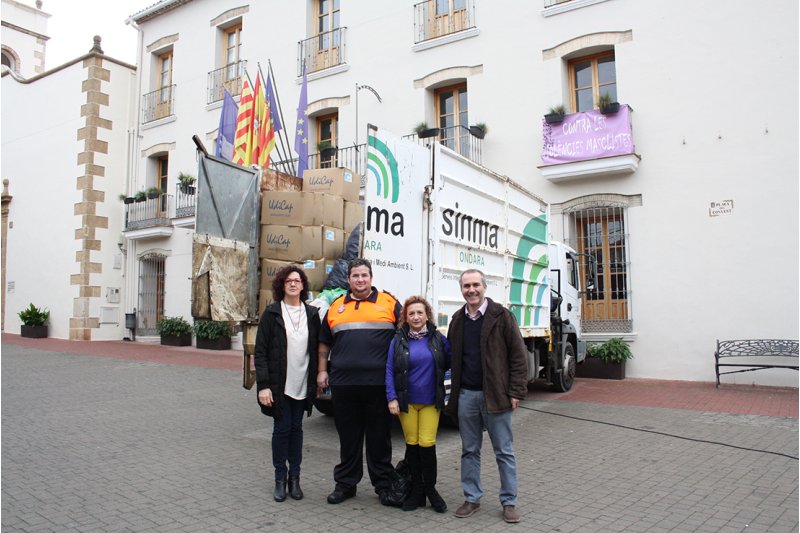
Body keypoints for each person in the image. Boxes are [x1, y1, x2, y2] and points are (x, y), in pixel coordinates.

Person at [445, 269, 528, 524]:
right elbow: (451, 359)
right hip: (466, 396)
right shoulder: (457, 320)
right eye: (466, 286)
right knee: (470, 450)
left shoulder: (501, 316)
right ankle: (472, 498)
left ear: (484, 287)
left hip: (496, 395)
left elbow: (518, 356)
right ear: (461, 289)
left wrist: (516, 391)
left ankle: (509, 502)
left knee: (504, 451)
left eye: (475, 285)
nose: (471, 290)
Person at [317, 258, 401, 506]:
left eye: (364, 275)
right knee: (348, 438)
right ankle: (346, 484)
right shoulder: (336, 306)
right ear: (349, 279)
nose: (360, 279)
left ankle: (383, 485)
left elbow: (407, 335)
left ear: (371, 278)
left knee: (379, 438)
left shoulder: (389, 303)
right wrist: (322, 371)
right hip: (344, 384)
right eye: (355, 276)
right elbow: (324, 341)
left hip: (378, 385)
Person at [254, 265, 320, 502]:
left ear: (303, 286)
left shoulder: (312, 314)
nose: (293, 283)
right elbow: (260, 351)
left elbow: (318, 348)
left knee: (296, 430)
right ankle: (280, 479)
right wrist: (263, 385)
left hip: (302, 383)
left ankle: (295, 479)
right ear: (282, 285)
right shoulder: (272, 313)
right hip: (278, 385)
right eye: (288, 281)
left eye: (297, 280)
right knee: (282, 430)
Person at [386, 296, 451, 513]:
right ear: (405, 317)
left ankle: (430, 490)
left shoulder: (438, 339)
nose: (415, 317)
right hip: (407, 403)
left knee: (427, 445)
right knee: (412, 446)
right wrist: (391, 398)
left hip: (431, 402)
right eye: (411, 313)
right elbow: (389, 369)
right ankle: (416, 491)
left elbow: (450, 361)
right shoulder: (398, 340)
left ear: (427, 315)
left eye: (419, 313)